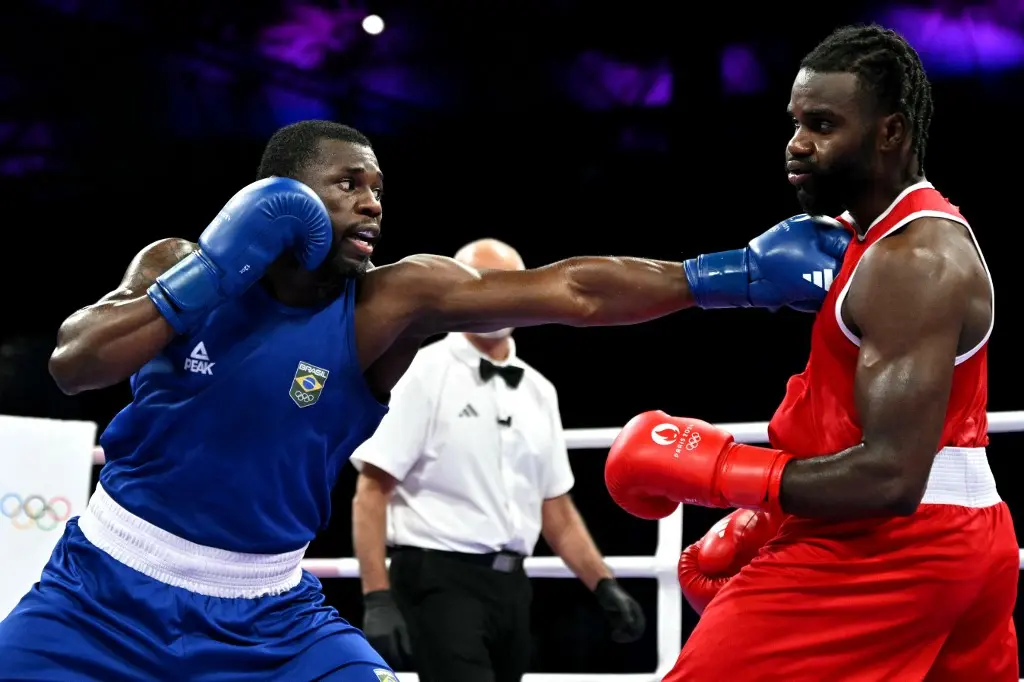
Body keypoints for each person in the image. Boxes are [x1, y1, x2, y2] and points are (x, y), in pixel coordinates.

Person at [0, 119, 850, 681]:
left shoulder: (385, 306)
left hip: (269, 618)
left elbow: (569, 293)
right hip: (99, 594)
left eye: (379, 189)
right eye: (349, 184)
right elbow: (76, 366)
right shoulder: (172, 263)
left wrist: (725, 277)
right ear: (282, 195)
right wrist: (217, 270)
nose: (372, 202)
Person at [604, 24, 1016, 682]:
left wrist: (721, 471)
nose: (797, 144)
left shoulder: (914, 259)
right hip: (955, 539)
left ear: (891, 132)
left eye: (822, 124)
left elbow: (890, 477)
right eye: (796, 122)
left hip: (892, 543)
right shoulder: (865, 241)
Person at [349, 237, 646, 682]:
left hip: (512, 587)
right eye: (484, 283)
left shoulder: (539, 390)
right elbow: (372, 490)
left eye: (508, 285)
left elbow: (555, 508)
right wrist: (377, 597)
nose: (498, 295)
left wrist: (603, 583)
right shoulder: (422, 371)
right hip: (438, 580)